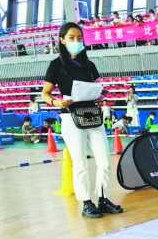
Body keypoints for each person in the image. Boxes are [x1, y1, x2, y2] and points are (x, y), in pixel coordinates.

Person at [41, 22, 123, 219]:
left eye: (79, 37)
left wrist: (101, 94)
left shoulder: (89, 65)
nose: (76, 41)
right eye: (71, 38)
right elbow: (45, 93)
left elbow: (97, 87)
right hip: (70, 116)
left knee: (104, 161)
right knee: (80, 163)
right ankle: (86, 202)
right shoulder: (56, 65)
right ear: (62, 40)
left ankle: (103, 199)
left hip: (93, 115)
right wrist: (56, 102)